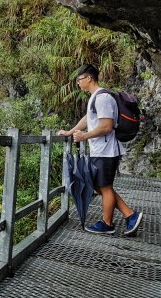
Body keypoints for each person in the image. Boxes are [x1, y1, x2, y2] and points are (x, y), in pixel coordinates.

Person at [57, 64, 142, 236]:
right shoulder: (96, 97)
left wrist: (84, 137)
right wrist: (71, 132)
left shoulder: (102, 98)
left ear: (89, 78)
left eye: (79, 80)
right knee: (100, 185)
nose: (78, 83)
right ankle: (130, 215)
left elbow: (106, 127)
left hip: (107, 151)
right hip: (101, 150)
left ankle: (108, 223)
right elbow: (88, 118)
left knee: (104, 186)